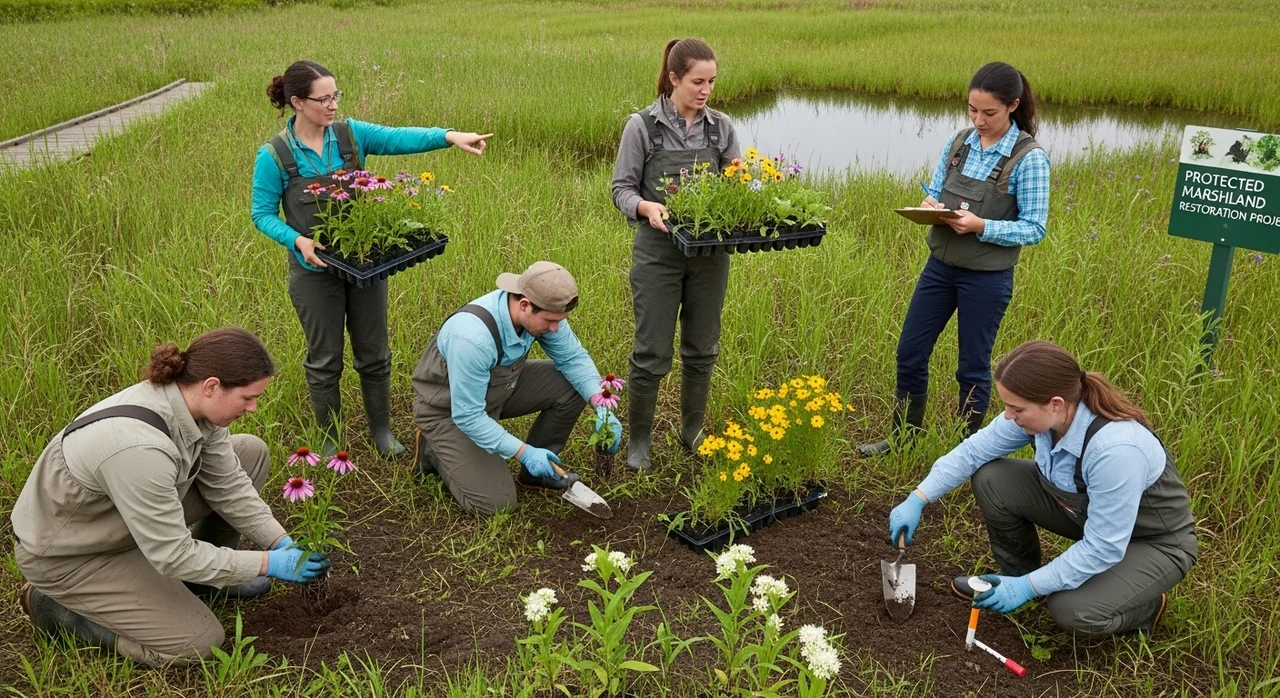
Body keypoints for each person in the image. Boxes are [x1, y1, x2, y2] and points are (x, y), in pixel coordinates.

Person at [12, 328, 331, 667]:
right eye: (248, 398)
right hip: (74, 555)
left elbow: (229, 486)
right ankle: (56, 610)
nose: (252, 408)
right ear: (212, 386)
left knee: (250, 452)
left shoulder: (196, 405)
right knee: (199, 641)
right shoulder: (138, 447)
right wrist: (268, 564)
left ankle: (201, 582)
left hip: (123, 523)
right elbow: (171, 553)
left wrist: (280, 541)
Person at [251, 59, 493, 457]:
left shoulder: (349, 135)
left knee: (375, 352)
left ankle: (382, 432)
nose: (332, 105)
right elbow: (261, 214)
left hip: (364, 264)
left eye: (336, 95)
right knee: (325, 358)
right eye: (323, 98)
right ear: (297, 102)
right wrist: (297, 241)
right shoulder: (275, 155)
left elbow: (399, 138)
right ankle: (331, 439)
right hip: (313, 272)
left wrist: (450, 136)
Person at [886, 341, 1197, 637]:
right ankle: (1014, 578)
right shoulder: (1042, 417)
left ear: (1055, 404)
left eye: (1016, 408)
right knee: (992, 478)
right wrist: (918, 497)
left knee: (1071, 610)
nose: (1009, 416)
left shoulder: (1115, 449)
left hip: (1151, 542)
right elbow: (973, 452)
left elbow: (1104, 546)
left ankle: (1144, 607)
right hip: (1087, 517)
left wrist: (1029, 587)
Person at [859, 62, 1051, 455]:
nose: (978, 120)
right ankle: (902, 438)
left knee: (972, 367)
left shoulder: (1029, 158)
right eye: (972, 110)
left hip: (987, 278)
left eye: (989, 113)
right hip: (940, 269)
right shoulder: (959, 141)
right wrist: (930, 204)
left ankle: (966, 452)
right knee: (910, 351)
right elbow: (936, 189)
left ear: (1013, 106)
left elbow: (1034, 227)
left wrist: (982, 225)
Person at [610, 38, 742, 471]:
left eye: (712, 82)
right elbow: (621, 190)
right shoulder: (643, 126)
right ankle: (639, 441)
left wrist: (751, 198)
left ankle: (691, 431)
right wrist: (645, 207)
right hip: (658, 254)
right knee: (651, 352)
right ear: (673, 78)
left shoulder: (721, 128)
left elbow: (737, 187)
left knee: (702, 348)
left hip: (710, 255)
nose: (706, 91)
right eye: (697, 82)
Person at [410, 262, 622, 515]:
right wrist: (524, 452)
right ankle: (433, 445)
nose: (555, 328)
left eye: (560, 321)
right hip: (449, 411)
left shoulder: (541, 311)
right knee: (496, 504)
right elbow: (468, 415)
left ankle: (539, 475)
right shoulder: (471, 338)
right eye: (551, 321)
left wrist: (601, 404)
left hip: (498, 390)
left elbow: (573, 359)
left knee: (574, 385)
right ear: (524, 305)